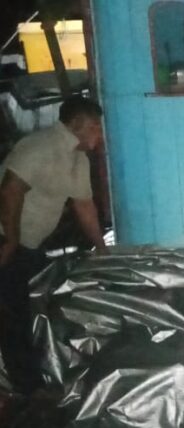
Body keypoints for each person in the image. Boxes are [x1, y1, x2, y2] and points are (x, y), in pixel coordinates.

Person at [0, 96, 106, 391]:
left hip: (28, 245)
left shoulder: (77, 159)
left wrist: (102, 249)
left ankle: (37, 373)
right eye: (94, 127)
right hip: (7, 241)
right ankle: (27, 388)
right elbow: (10, 191)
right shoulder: (40, 146)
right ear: (76, 124)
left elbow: (84, 206)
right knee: (11, 314)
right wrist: (11, 240)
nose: (99, 134)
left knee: (33, 303)